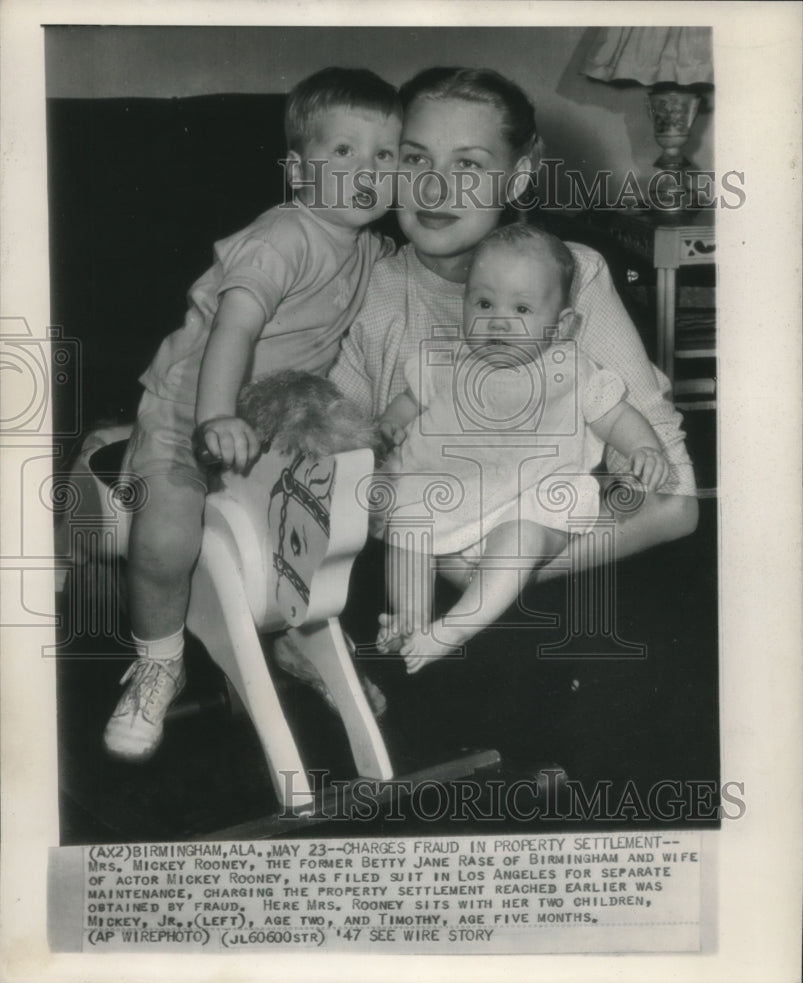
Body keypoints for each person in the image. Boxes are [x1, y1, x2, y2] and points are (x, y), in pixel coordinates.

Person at [103, 67, 402, 760]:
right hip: (189, 412)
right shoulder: (283, 238)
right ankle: (158, 660)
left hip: (269, 421)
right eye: (343, 152)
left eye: (383, 156)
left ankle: (300, 642)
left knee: (322, 521)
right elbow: (235, 329)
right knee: (164, 540)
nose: (366, 171)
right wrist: (212, 419)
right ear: (297, 171)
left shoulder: (363, 248)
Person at [328, 66, 698, 601]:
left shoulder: (576, 274)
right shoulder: (362, 290)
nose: (434, 187)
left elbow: (674, 498)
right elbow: (341, 471)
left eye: (469, 164)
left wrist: (495, 574)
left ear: (519, 175)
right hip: (417, 558)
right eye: (415, 159)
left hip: (550, 538)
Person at [373, 223, 669, 672]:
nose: (498, 320)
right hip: (451, 492)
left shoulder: (572, 368)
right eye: (484, 303)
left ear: (563, 324)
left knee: (522, 536)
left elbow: (616, 416)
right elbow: (410, 400)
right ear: (465, 303)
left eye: (523, 308)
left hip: (532, 500)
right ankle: (410, 619)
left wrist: (646, 448)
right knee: (406, 526)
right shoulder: (446, 359)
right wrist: (392, 425)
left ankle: (456, 626)